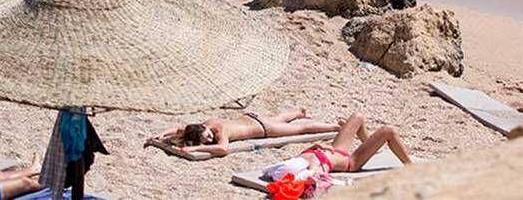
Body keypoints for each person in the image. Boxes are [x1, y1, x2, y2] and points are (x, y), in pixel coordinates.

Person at [266, 113, 411, 178]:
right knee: (389, 131)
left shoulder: (301, 158)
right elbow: (318, 179)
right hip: (350, 162)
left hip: (337, 149)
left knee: (357, 117)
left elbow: (270, 171)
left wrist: (318, 146)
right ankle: (411, 166)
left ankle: (372, 146)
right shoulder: (312, 169)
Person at [147, 109, 339, 156]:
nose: (208, 140)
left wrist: (195, 149)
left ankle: (335, 127)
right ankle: (298, 112)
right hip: (254, 118)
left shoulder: (220, 131)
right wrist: (162, 134)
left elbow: (222, 149)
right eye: (205, 140)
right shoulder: (206, 124)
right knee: (280, 118)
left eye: (206, 137)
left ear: (204, 129)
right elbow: (180, 129)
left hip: (264, 129)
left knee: (300, 129)